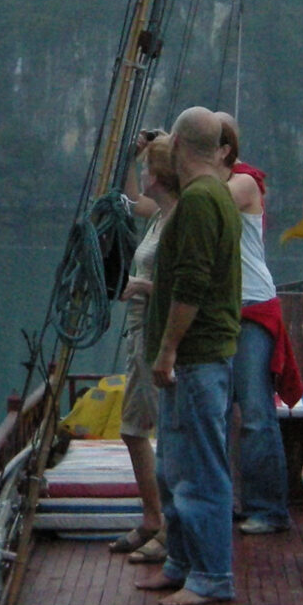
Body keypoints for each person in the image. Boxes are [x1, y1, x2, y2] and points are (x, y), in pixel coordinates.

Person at [135, 107, 245, 605]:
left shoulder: (201, 200)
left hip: (197, 358)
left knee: (201, 470)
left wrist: (168, 349)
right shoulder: (210, 193)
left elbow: (193, 283)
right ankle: (180, 562)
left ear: (177, 144)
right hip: (190, 361)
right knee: (173, 467)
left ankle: (212, 575)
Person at [215, 112, 298, 534]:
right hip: (219, 311)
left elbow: (210, 201)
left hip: (251, 307)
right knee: (215, 412)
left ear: (223, 150)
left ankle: (268, 508)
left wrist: (176, 163)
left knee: (254, 411)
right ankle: (224, 501)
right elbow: (148, 204)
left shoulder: (243, 183)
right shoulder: (206, 184)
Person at [107, 134, 179, 563]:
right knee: (133, 430)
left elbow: (185, 289)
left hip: (156, 335)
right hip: (138, 333)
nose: (145, 174)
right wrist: (131, 157)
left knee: (165, 434)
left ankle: (170, 529)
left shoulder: (178, 220)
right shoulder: (158, 215)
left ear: (162, 174)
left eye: (150, 167)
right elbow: (130, 200)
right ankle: (153, 518)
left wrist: (139, 286)